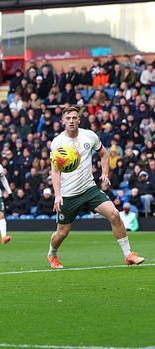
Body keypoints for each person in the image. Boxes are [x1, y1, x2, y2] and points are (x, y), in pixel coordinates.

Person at [48, 106, 145, 269]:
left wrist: (105, 173)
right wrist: (57, 195)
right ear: (63, 121)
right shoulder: (57, 142)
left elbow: (104, 154)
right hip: (68, 194)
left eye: (74, 117)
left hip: (89, 189)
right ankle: (52, 254)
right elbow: (55, 170)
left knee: (114, 214)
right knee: (62, 233)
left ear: (79, 119)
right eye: (68, 118)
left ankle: (128, 254)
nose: (71, 121)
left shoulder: (89, 136)